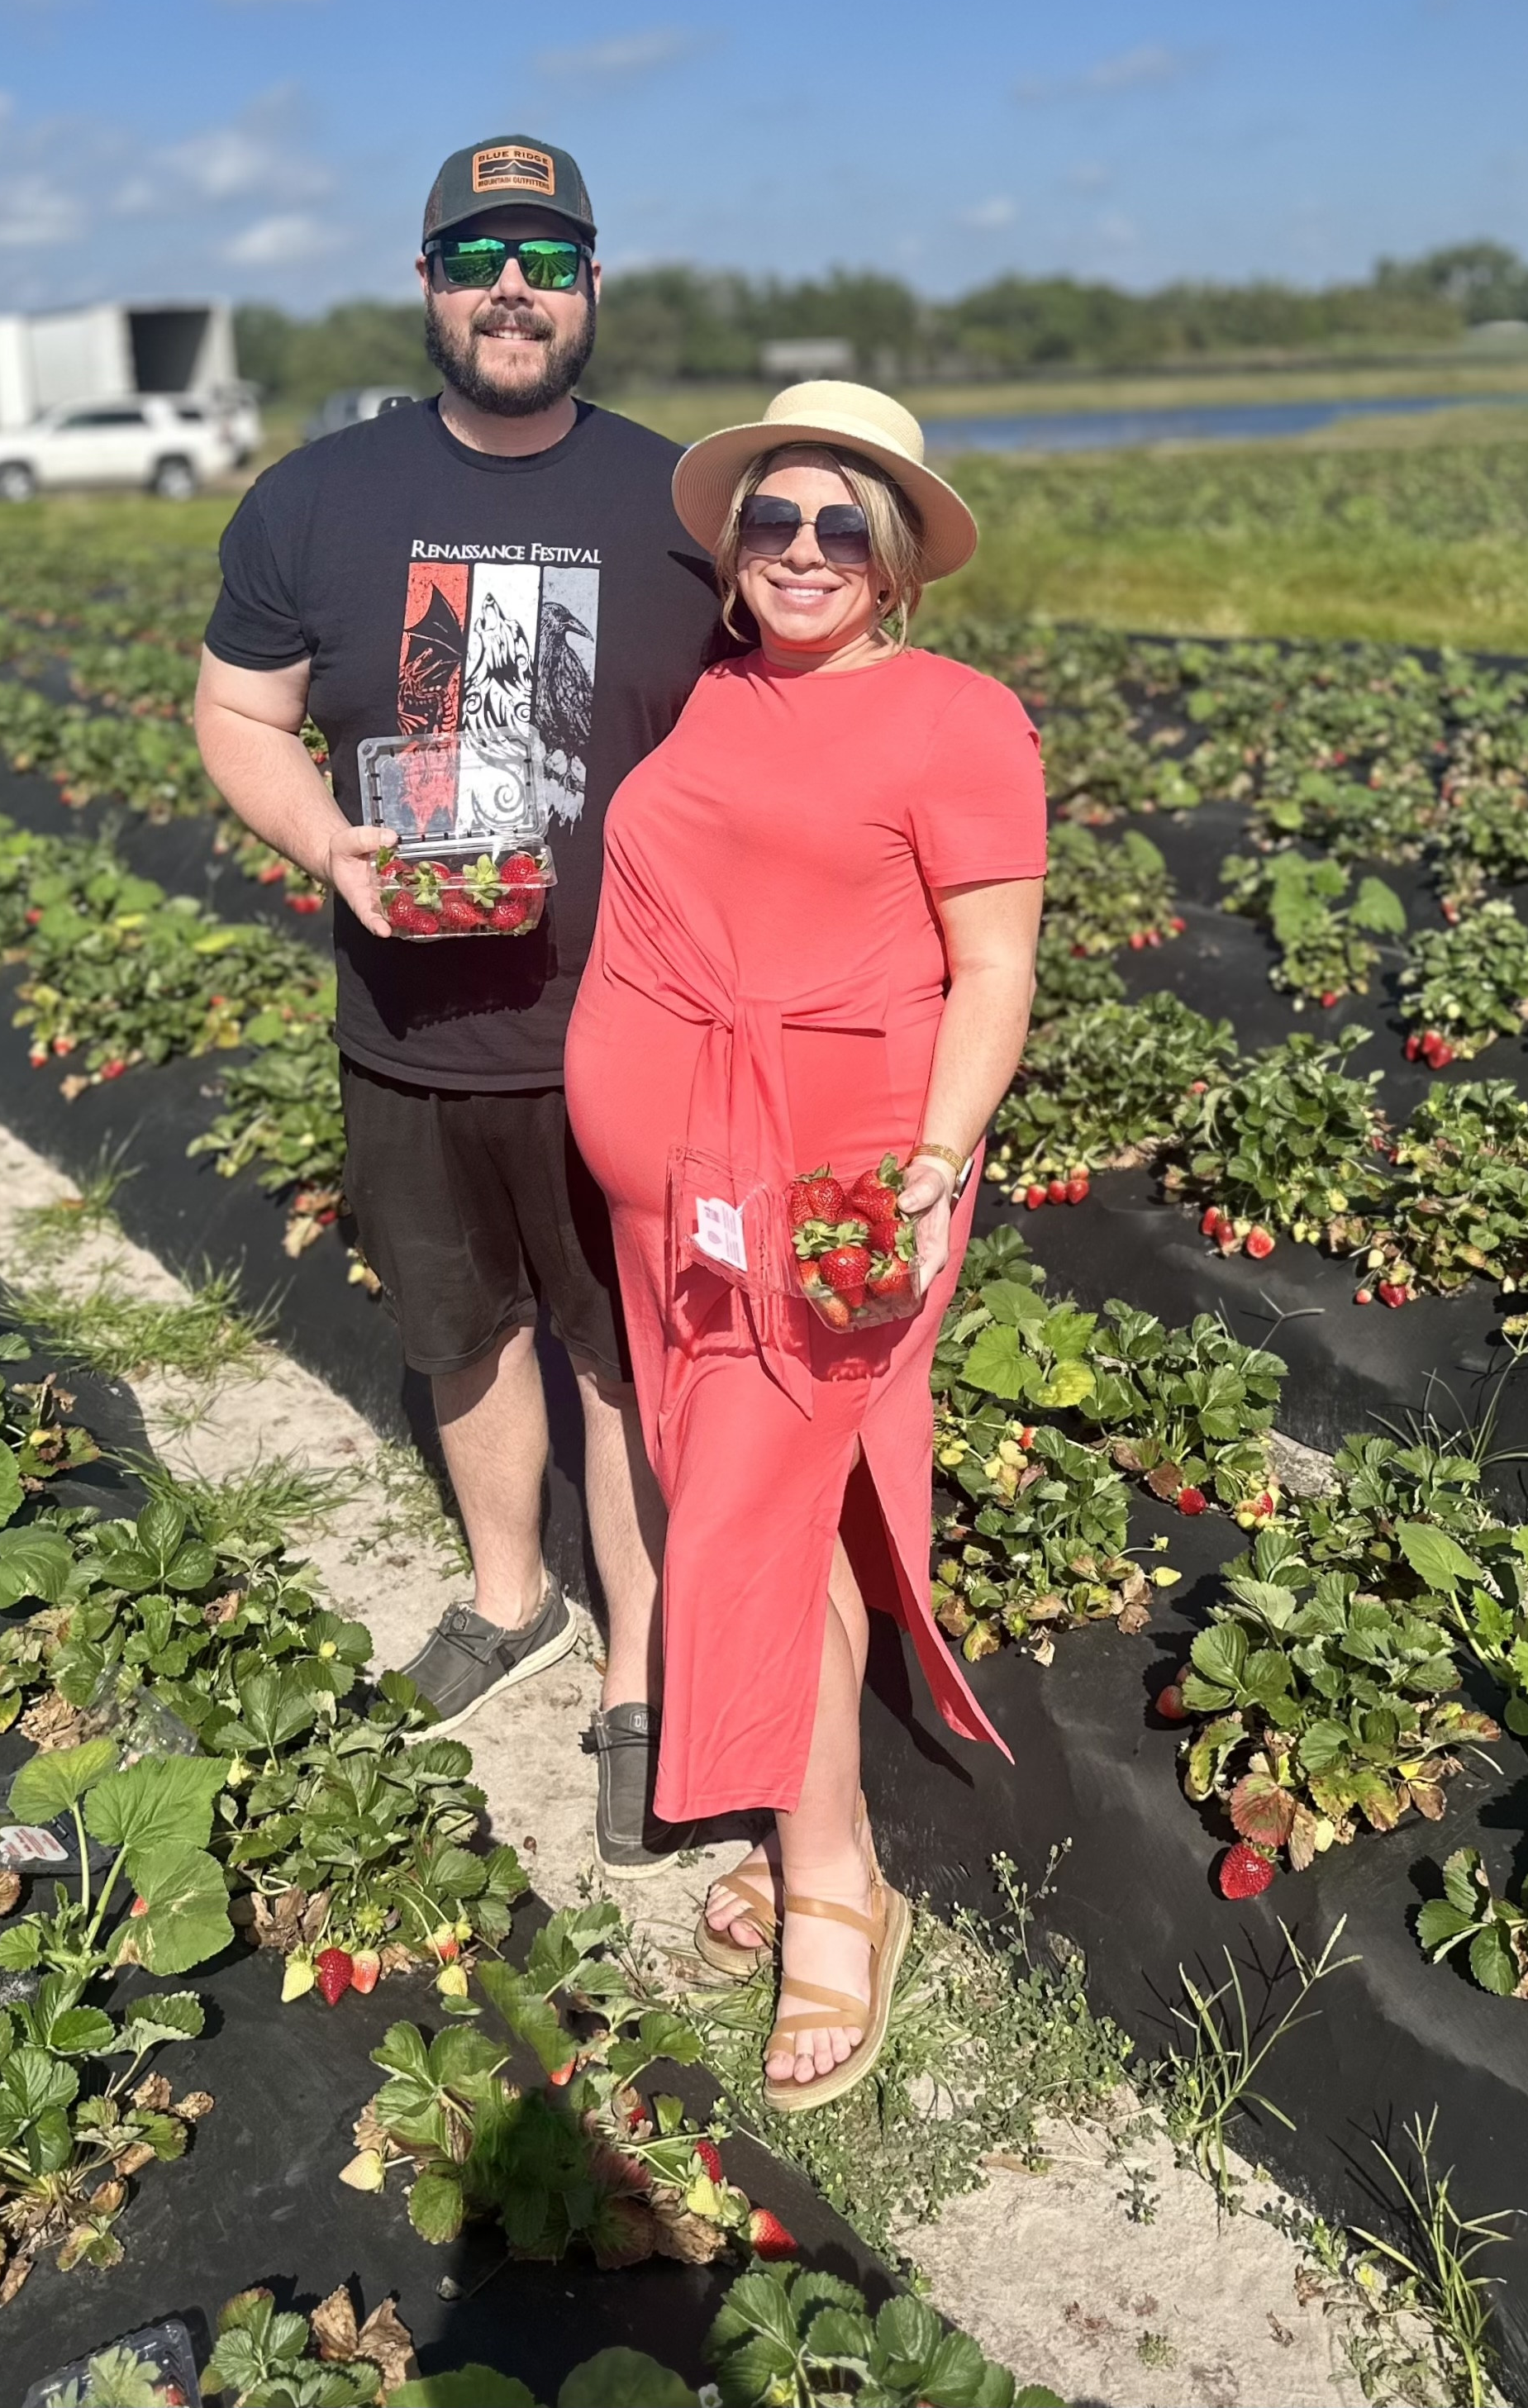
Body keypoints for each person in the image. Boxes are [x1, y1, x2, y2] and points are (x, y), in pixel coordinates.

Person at [193, 136, 726, 1870]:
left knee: (623, 1358)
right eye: (480, 255)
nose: (514, 287)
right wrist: (325, 845)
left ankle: (635, 1675)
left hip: (627, 1034)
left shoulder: (680, 509)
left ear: (591, 290)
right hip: (409, 1029)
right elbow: (235, 714)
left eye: (548, 259)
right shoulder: (313, 502)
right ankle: (510, 1599)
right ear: (428, 283)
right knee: (462, 1331)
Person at [564, 381, 1046, 2108]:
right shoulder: (712, 692)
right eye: (773, 517)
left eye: (845, 524)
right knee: (753, 1498)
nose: (802, 552)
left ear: (900, 556)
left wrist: (934, 1154)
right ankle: (795, 1808)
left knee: (756, 1516)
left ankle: (834, 1880)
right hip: (673, 1182)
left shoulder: (954, 716)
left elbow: (989, 966)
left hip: (838, 1182)